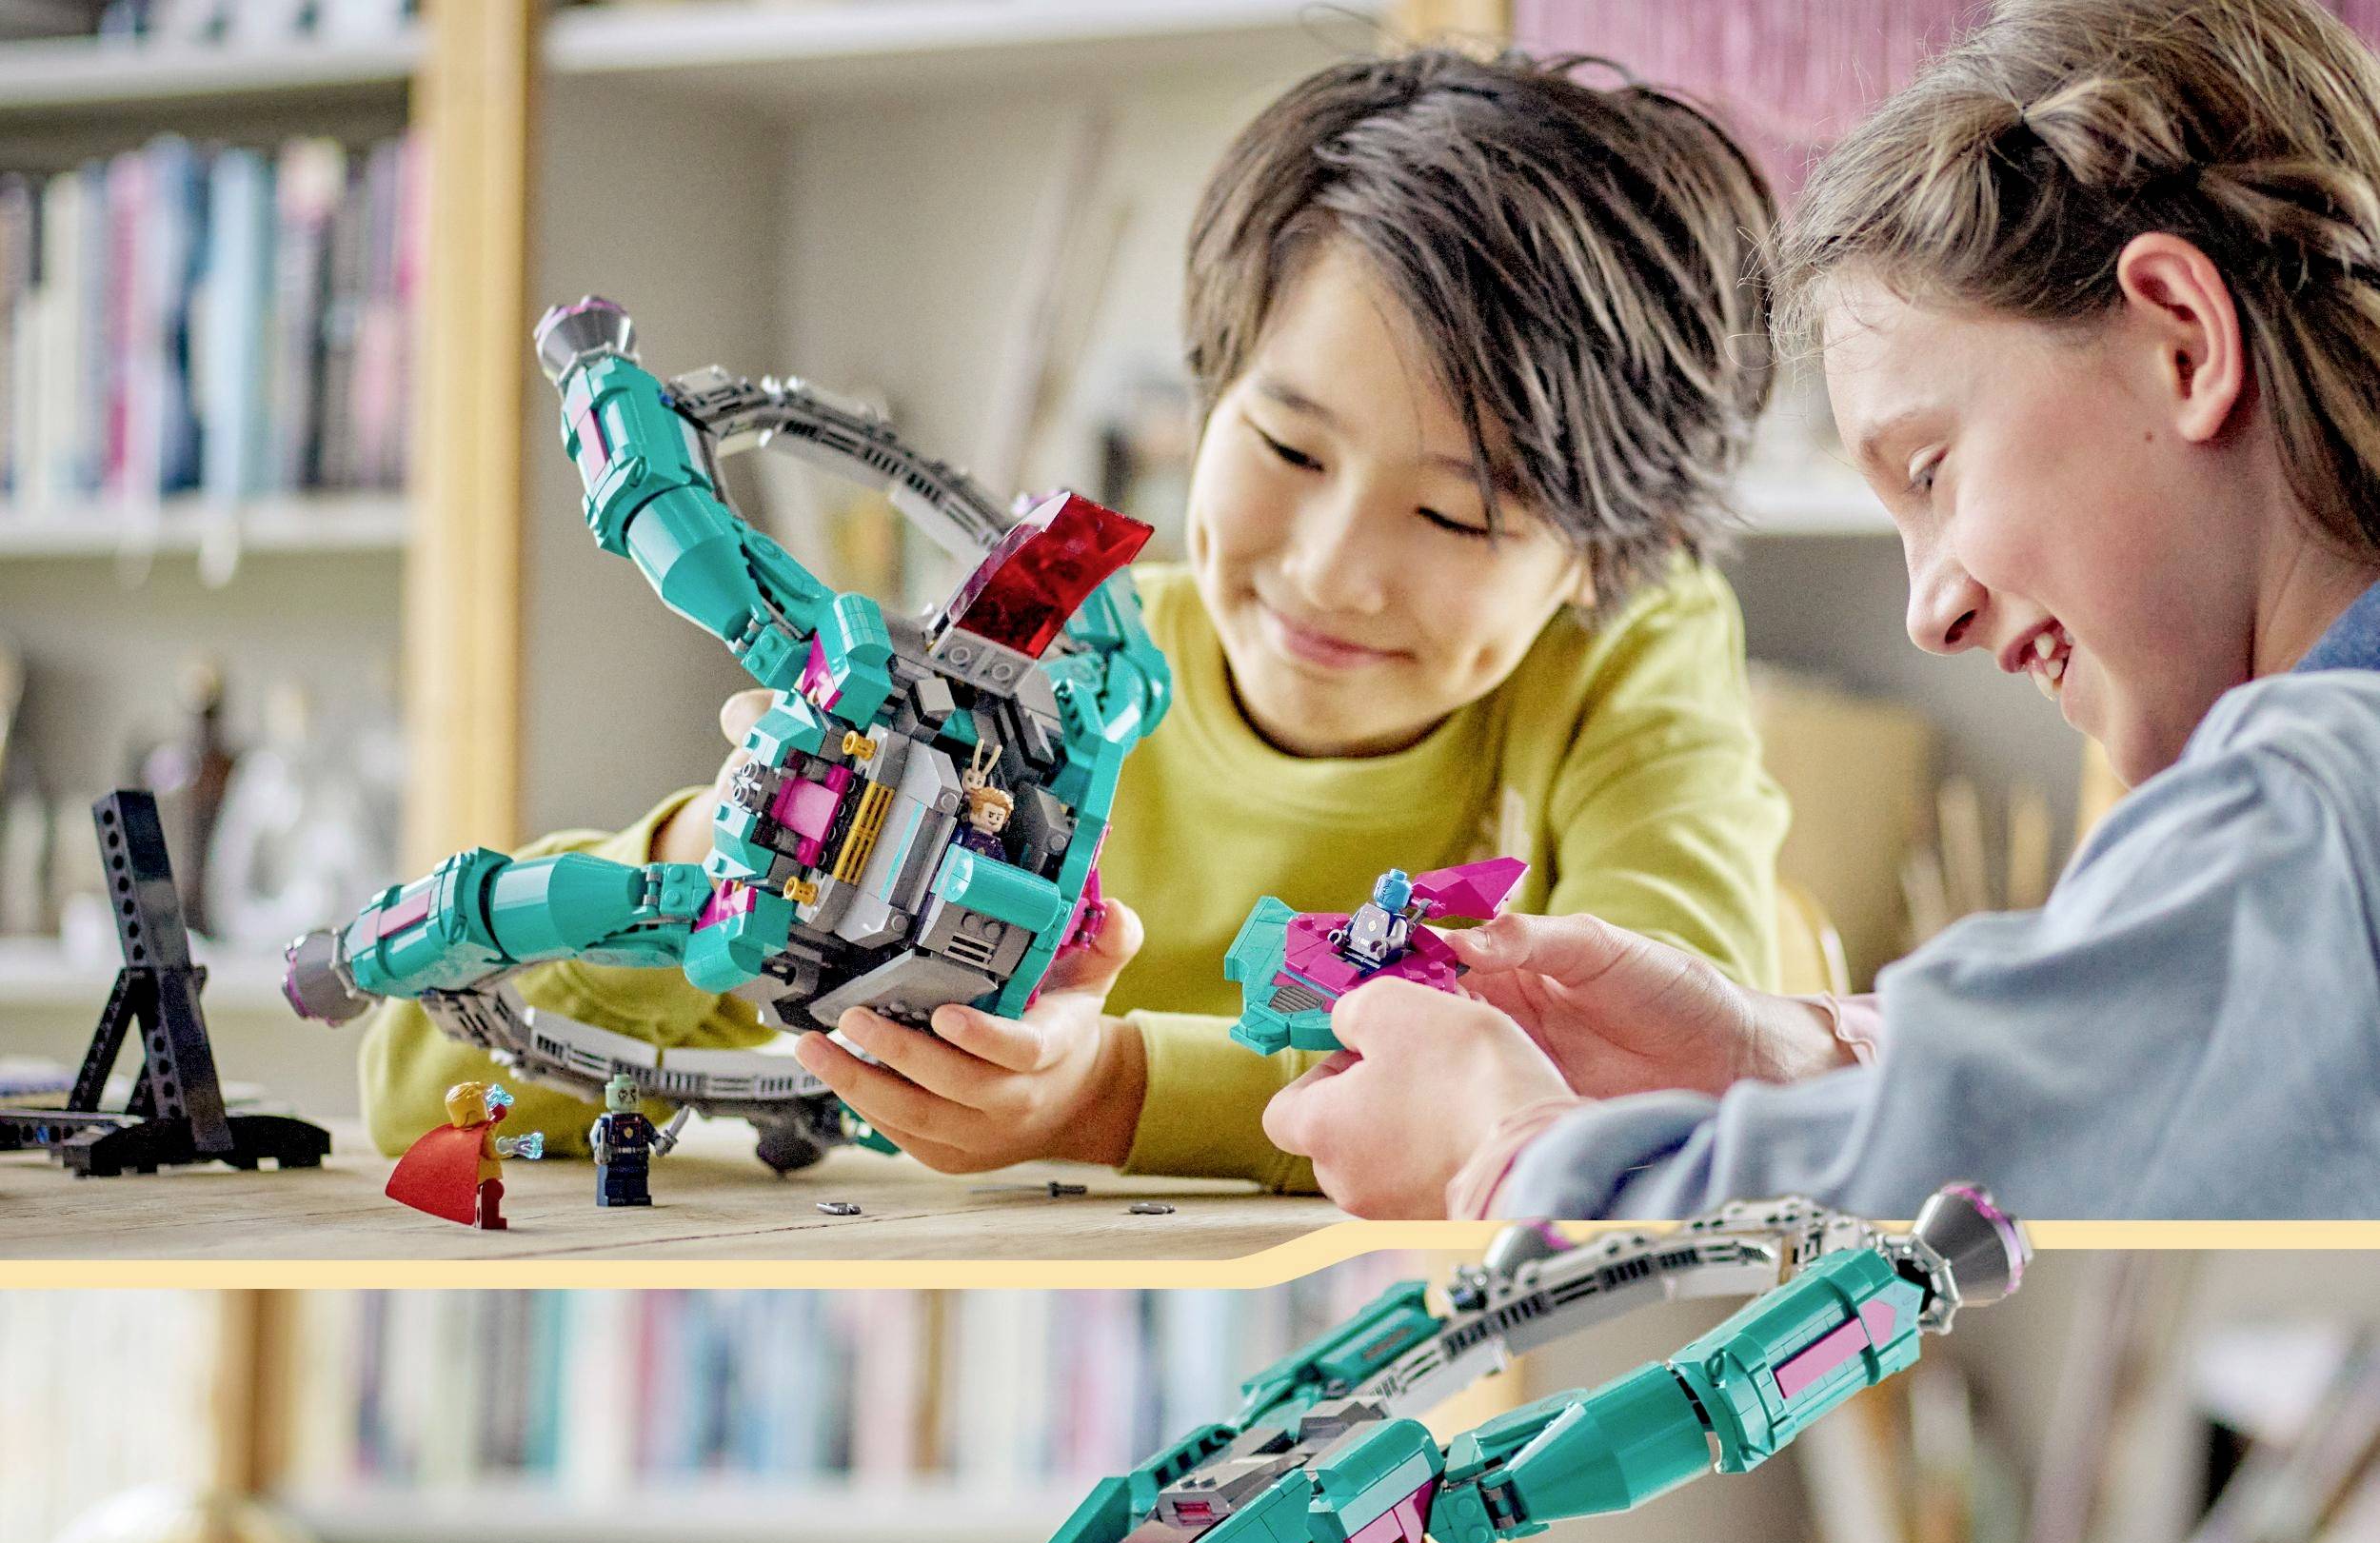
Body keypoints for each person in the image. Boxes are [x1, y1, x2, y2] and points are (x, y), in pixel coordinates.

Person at [362, 47, 1790, 1190]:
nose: (1332, 569)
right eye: (1288, 451)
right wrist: (720, 854)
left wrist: (1109, 1096)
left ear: (1618, 549)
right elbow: (424, 1084)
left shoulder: (1627, 656)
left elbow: (1648, 1081)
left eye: (1461, 516)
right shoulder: (1049, 680)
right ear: (1206, 398)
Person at [1269, 0, 2380, 1219]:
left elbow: (1926, 1225)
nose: (1929, 612)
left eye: (1930, 470)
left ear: (2182, 342)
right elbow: (2116, 1079)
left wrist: (1508, 1152)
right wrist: (1788, 1058)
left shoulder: (2304, 808)